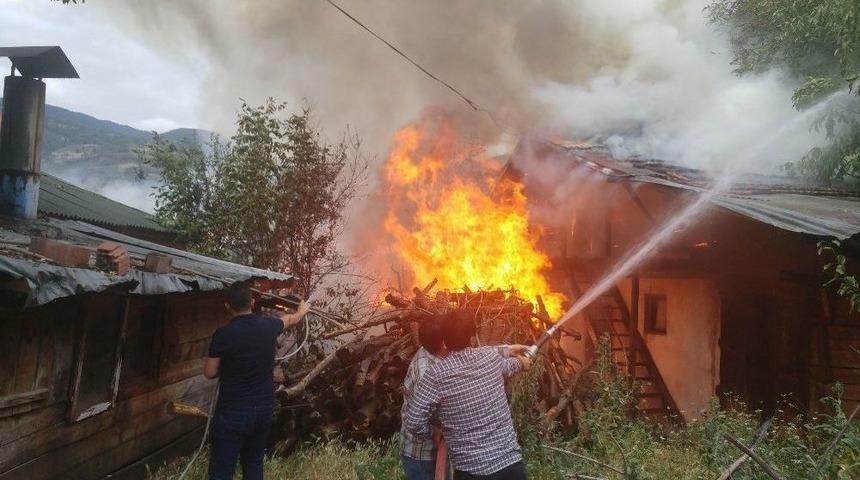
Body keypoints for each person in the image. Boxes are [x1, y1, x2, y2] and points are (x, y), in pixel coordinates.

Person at [404, 311, 531, 480]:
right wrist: (522, 362)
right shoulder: (489, 357)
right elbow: (511, 365)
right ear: (472, 339)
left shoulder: (436, 375)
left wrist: (432, 432)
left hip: (470, 471)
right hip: (509, 465)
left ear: (445, 340)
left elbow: (413, 421)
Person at [203, 282, 310, 480]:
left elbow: (210, 372)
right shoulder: (268, 326)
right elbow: (289, 320)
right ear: (252, 302)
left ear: (228, 306)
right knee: (253, 463)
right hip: (262, 411)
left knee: (221, 471)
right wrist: (302, 311)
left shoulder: (223, 334)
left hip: (232, 413)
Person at [401, 318, 448, 480]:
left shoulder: (431, 350)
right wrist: (434, 431)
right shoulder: (426, 374)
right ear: (443, 343)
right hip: (421, 455)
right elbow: (417, 420)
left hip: (435, 452)